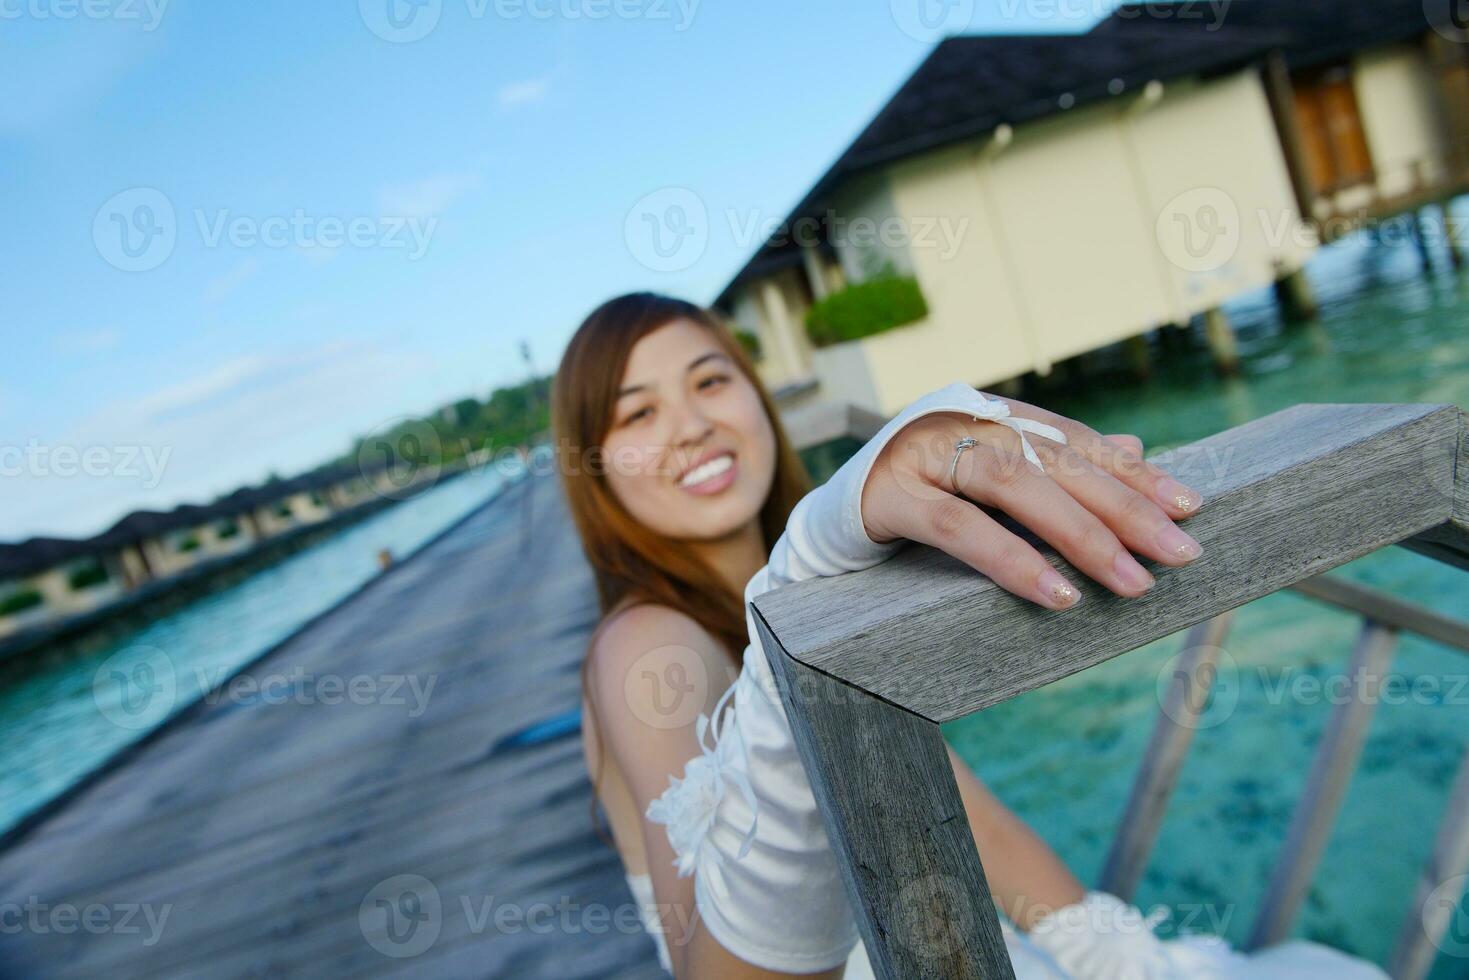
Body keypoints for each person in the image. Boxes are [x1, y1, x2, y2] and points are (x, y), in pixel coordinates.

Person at [552, 293, 1388, 979]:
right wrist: (809, 553)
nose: (689, 425)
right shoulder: (645, 645)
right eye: (637, 415)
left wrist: (1120, 959)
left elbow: (973, 824)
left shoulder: (829, 600)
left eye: (709, 381)